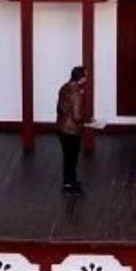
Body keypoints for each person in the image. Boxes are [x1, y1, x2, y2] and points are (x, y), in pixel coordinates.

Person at [55, 65, 89, 195]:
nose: (86, 78)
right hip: (72, 131)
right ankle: (70, 185)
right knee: (72, 158)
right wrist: (87, 121)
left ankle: (69, 181)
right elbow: (77, 116)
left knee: (67, 157)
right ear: (81, 78)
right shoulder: (77, 93)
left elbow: (59, 108)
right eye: (85, 76)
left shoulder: (64, 87)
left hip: (61, 127)